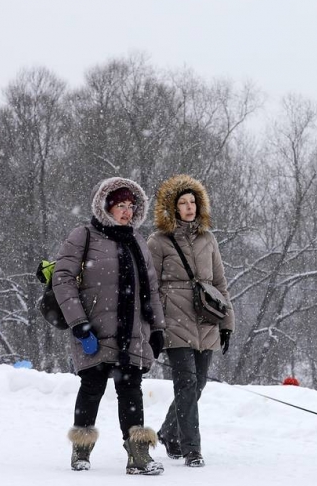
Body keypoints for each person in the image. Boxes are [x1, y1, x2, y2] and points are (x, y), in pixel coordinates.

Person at [53, 177, 166, 475]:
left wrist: (157, 328)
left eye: (131, 206)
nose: (127, 212)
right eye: (120, 206)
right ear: (105, 206)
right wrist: (78, 323)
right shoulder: (84, 235)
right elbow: (62, 279)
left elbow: (151, 288)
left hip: (133, 333)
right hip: (93, 329)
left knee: (132, 389)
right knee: (92, 387)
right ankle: (81, 449)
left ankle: (138, 455)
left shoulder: (138, 241)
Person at [147, 174, 235, 468]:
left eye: (193, 202)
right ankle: (192, 449)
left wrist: (227, 323)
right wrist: (156, 324)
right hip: (174, 320)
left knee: (198, 386)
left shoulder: (207, 239)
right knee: (186, 385)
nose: (189, 207)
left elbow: (220, 283)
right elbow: (150, 286)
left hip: (207, 319)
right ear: (172, 207)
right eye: (183, 202)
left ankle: (169, 433)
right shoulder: (158, 241)